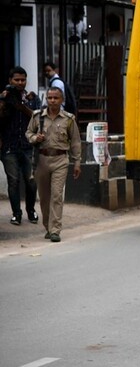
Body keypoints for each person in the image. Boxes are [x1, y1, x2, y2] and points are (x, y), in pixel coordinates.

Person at [26, 87, 82, 243]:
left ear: (61, 100)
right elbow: (28, 133)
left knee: (57, 196)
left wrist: (77, 162)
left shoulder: (68, 119)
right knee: (44, 198)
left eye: (56, 98)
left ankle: (55, 230)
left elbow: (76, 142)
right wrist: (34, 138)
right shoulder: (37, 116)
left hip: (60, 160)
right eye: (49, 97)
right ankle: (48, 227)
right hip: (41, 160)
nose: (52, 100)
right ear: (46, 99)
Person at [0, 67, 42, 225]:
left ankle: (31, 211)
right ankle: (16, 214)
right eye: (16, 80)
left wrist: (21, 106)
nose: (19, 83)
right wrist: (4, 101)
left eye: (22, 80)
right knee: (13, 181)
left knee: (31, 181)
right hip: (9, 147)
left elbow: (38, 117)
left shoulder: (32, 98)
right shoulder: (4, 97)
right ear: (10, 80)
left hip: (28, 146)